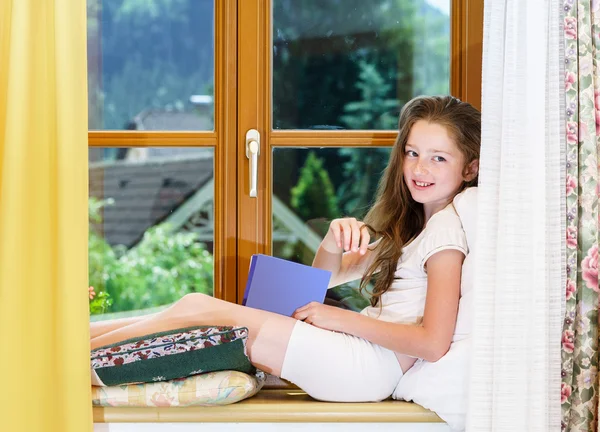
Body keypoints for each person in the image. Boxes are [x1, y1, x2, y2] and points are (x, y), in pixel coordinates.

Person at [90, 95, 480, 403]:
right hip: (357, 357)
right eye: (412, 153)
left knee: (195, 308)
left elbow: (432, 343)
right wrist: (331, 240)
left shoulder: (445, 235)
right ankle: (70, 340)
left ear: (469, 169)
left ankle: (63, 356)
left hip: (365, 368)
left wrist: (340, 319)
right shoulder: (417, 229)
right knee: (188, 313)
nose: (419, 168)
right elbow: (327, 278)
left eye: (438, 158)